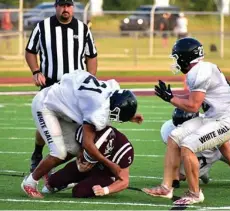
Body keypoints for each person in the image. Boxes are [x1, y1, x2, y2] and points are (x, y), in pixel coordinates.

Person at [142, 37, 230, 205]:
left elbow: (193, 106)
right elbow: (195, 100)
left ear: (185, 57)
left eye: (177, 57)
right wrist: (172, 97)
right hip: (212, 117)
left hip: (225, 122)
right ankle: (166, 187)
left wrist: (170, 98)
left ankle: (195, 193)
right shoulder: (202, 68)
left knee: (188, 145)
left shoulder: (198, 72)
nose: (176, 61)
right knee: (174, 137)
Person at [21, 70, 144, 199]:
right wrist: (109, 164)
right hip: (45, 105)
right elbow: (88, 144)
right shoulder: (98, 109)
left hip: (62, 104)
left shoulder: (112, 88)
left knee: (75, 148)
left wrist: (128, 116)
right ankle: (30, 182)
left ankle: (46, 169)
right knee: (59, 153)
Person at [25, 0, 98, 174]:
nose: (66, 9)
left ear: (72, 7)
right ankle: (37, 154)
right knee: (47, 122)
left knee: (81, 122)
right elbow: (30, 51)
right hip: (51, 84)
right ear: (56, 6)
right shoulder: (42, 27)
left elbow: (92, 56)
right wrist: (36, 71)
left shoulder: (83, 29)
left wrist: (91, 78)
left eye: (68, 5)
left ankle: (83, 161)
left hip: (76, 87)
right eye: (62, 5)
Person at [42, 125, 134, 198]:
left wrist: (105, 190)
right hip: (90, 166)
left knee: (79, 192)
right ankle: (75, 180)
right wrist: (80, 160)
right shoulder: (87, 131)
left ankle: (81, 182)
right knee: (53, 182)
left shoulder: (123, 149)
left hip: (106, 175)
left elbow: (124, 181)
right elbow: (80, 147)